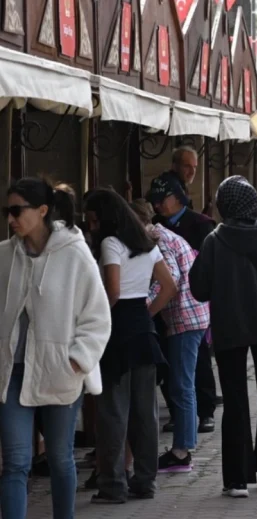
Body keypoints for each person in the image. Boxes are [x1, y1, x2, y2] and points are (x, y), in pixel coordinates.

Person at [0, 179, 111, 519]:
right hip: (12, 372)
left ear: (42, 210)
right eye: (7, 211)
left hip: (60, 370)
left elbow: (97, 316)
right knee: (16, 462)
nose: (10, 219)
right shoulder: (4, 255)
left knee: (61, 458)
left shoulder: (75, 254)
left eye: (17, 210)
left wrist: (76, 361)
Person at [189, 176, 257, 498]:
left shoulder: (213, 241)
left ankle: (236, 479)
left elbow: (199, 288)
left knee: (235, 400)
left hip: (229, 327)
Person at [86, 189, 178, 503]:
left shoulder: (111, 244)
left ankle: (113, 485)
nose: (91, 226)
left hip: (117, 332)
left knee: (113, 413)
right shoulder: (146, 244)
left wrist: (95, 319)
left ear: (106, 217)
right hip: (143, 332)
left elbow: (112, 291)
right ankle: (145, 481)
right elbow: (169, 286)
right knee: (145, 414)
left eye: (93, 220)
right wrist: (146, 315)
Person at [127, 200, 210, 475]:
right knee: (182, 383)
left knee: (181, 385)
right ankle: (183, 448)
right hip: (191, 315)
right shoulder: (163, 235)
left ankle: (182, 452)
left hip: (185, 318)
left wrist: (145, 311)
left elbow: (168, 282)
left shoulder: (158, 241)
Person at [146, 174, 219, 435]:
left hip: (192, 306)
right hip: (167, 309)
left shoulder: (201, 225)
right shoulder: (157, 226)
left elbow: (208, 268)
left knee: (197, 364)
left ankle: (205, 412)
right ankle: (179, 416)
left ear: (177, 197)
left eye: (161, 199)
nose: (158, 206)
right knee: (172, 368)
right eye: (154, 201)